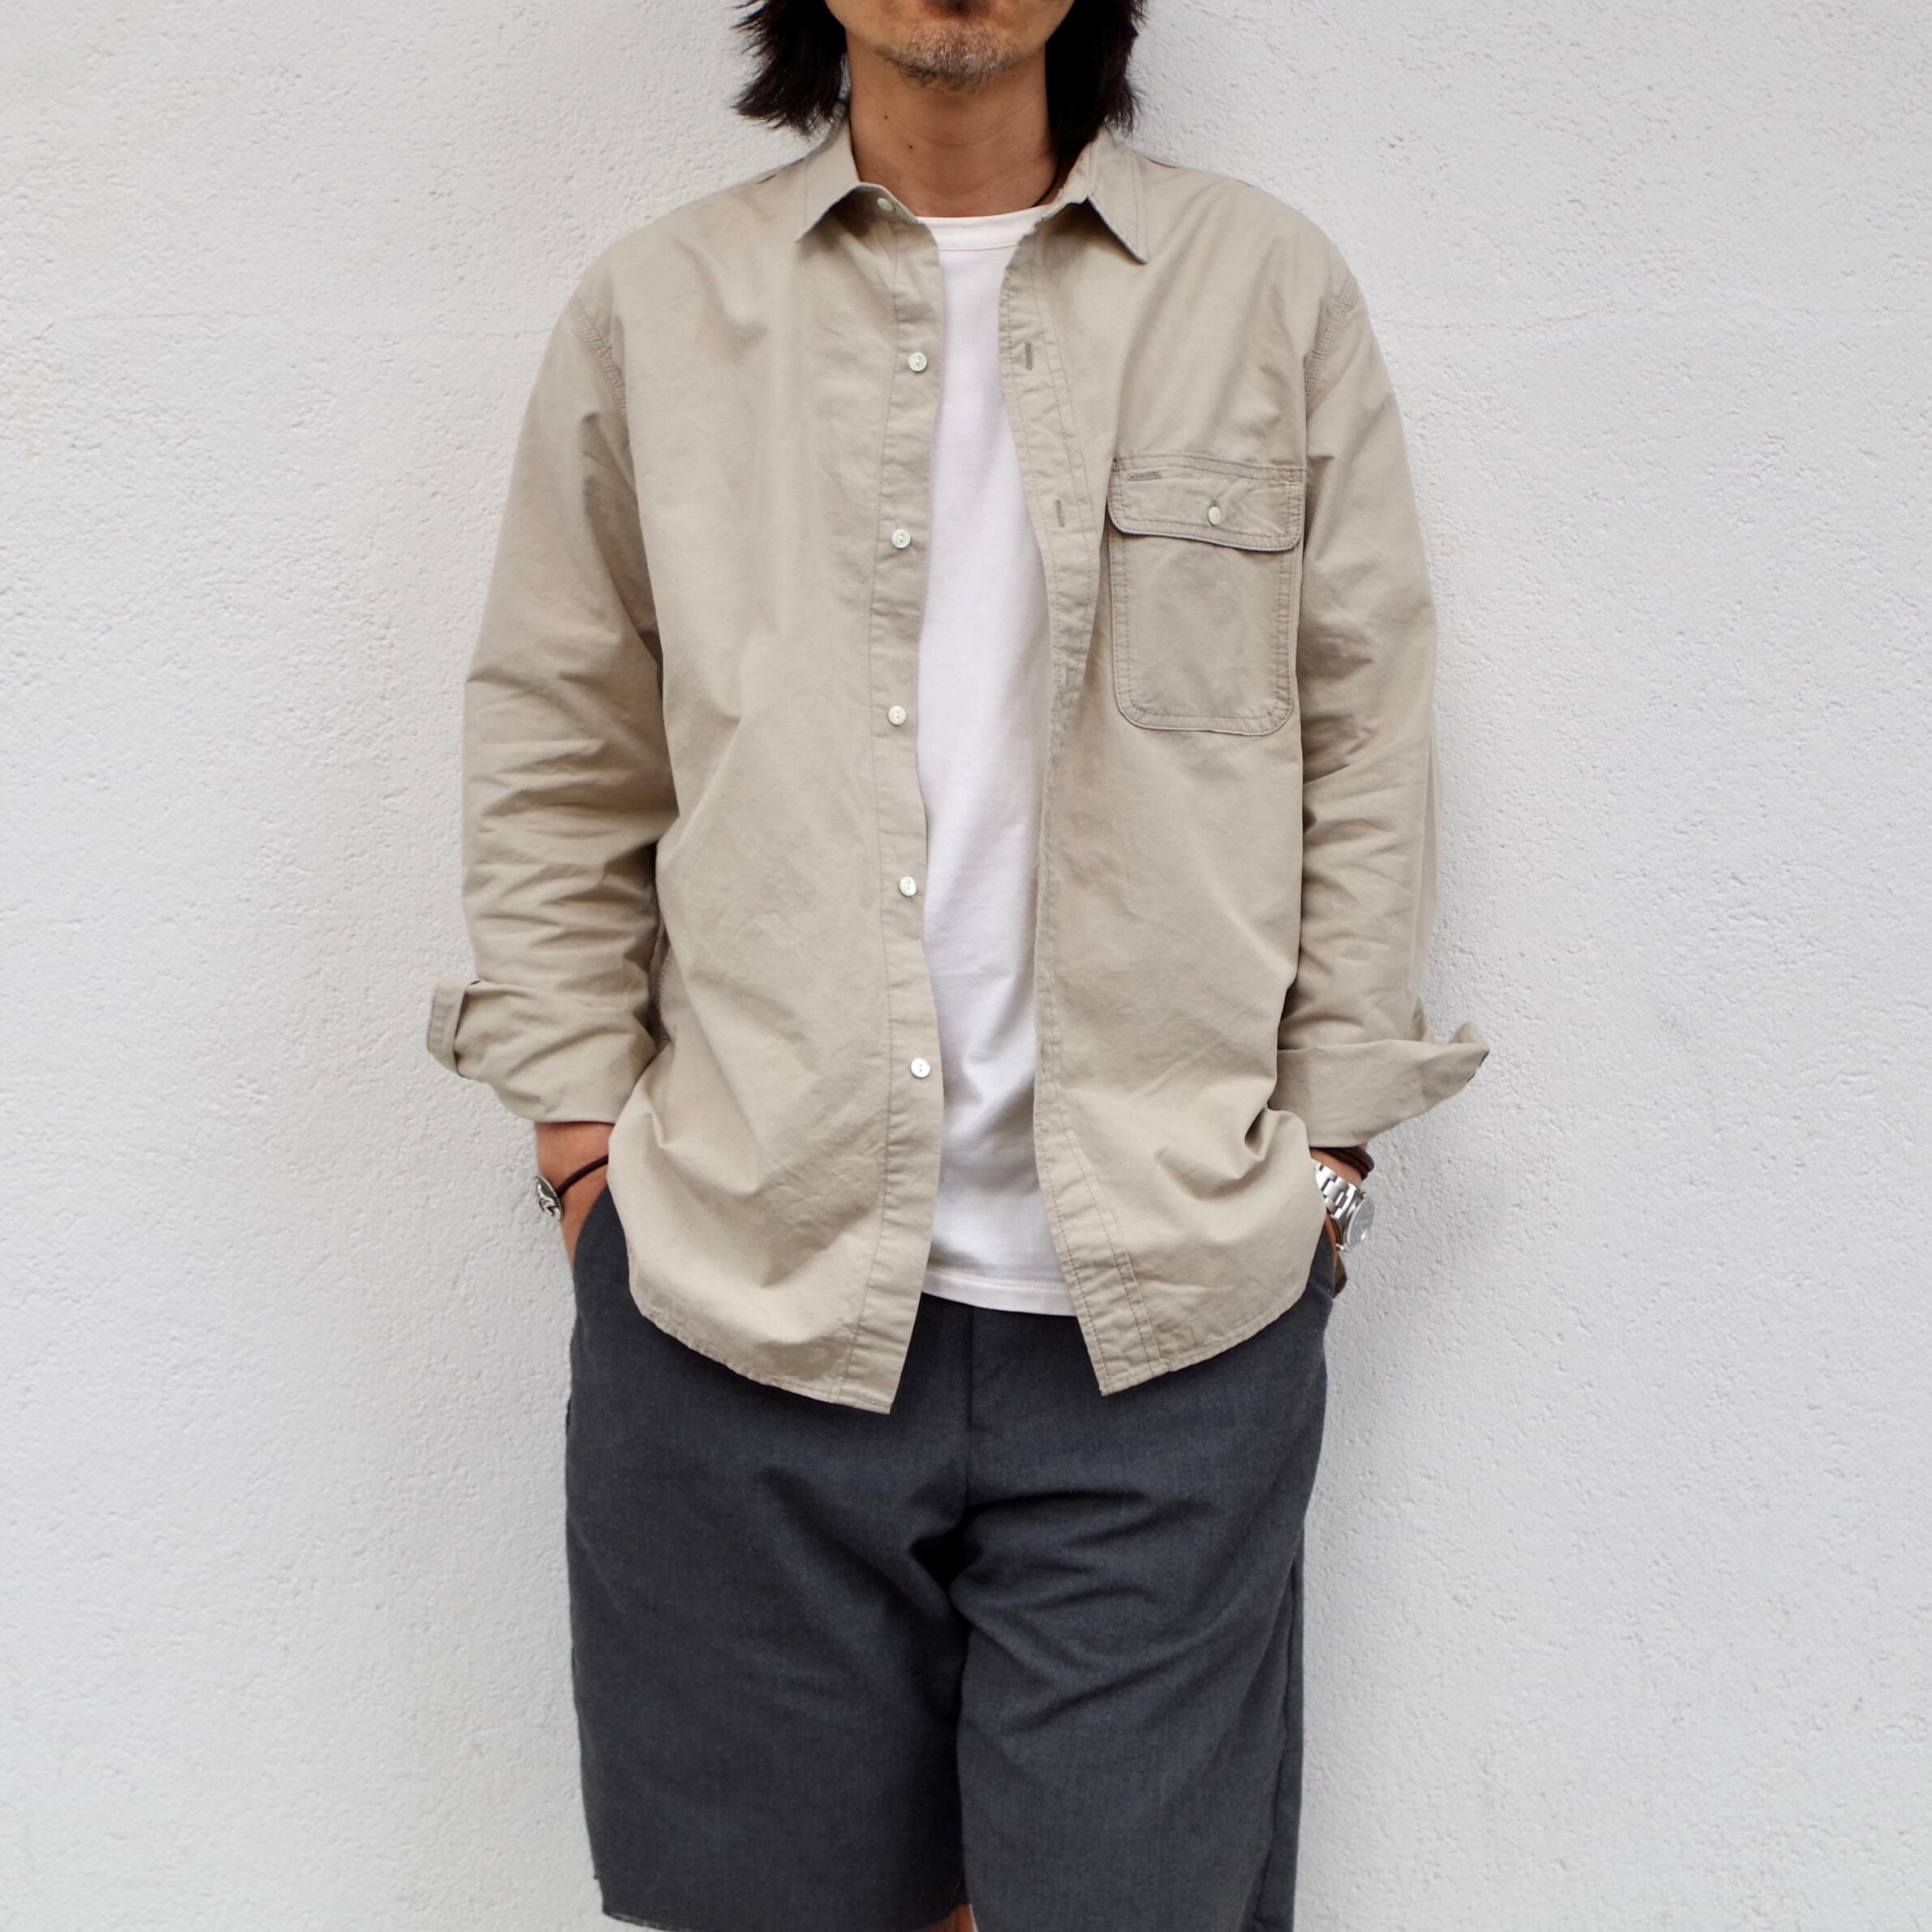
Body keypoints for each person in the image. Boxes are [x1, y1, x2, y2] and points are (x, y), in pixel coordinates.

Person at [425, 2, 1487, 1926]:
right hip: (737, 1298)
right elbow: (560, 740)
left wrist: (1326, 1158)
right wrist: (583, 1153)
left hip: (1164, 1322)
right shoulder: (660, 309)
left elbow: (1361, 731)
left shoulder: (1261, 290)